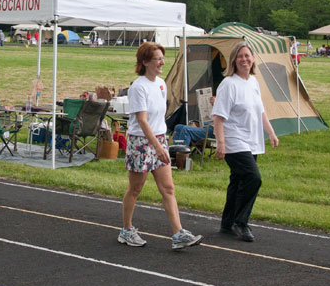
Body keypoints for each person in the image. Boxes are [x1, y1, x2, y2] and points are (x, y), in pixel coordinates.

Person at [119, 42, 202, 251]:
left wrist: (162, 141)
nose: (162, 62)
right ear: (145, 62)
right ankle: (126, 230)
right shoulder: (138, 87)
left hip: (159, 140)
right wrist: (156, 146)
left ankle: (178, 233)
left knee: (168, 188)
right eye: (157, 59)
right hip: (141, 142)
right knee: (135, 188)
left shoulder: (161, 84)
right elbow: (143, 121)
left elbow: (159, 116)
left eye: (162, 58)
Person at [212, 42, 279, 242]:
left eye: (247, 56)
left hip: (252, 140)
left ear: (253, 59)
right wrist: (221, 143)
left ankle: (227, 222)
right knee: (253, 178)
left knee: (238, 180)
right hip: (234, 140)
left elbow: (260, 111)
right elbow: (218, 117)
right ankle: (240, 222)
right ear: (234, 60)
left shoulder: (253, 82)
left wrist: (271, 133)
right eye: (240, 56)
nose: (244, 59)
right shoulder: (229, 84)